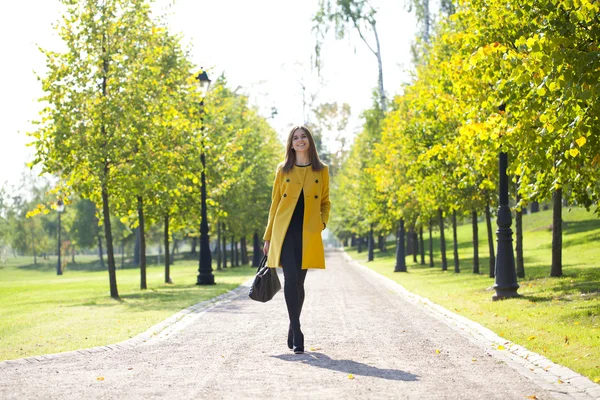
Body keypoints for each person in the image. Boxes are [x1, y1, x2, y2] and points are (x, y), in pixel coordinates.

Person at [262, 125, 331, 354]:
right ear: (291, 144)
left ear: (309, 141)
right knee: (291, 279)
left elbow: (325, 202)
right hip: (285, 232)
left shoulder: (321, 170)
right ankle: (298, 331)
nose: (300, 140)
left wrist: (322, 223)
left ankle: (292, 326)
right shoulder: (283, 170)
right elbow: (274, 205)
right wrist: (268, 236)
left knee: (299, 283)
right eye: (295, 138)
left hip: (308, 233)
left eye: (303, 137)